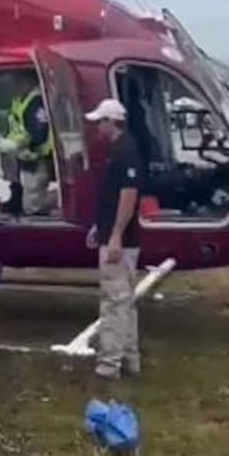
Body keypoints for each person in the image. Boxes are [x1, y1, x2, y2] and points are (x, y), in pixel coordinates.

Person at [84, 98, 142, 380]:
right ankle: (130, 359)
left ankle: (109, 364)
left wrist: (116, 235)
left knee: (114, 301)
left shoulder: (124, 153)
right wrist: (101, 226)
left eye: (99, 122)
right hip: (114, 234)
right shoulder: (121, 150)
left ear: (110, 122)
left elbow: (127, 197)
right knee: (125, 302)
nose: (97, 127)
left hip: (120, 240)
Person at [0, 69, 55, 215]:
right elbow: (14, 124)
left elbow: (39, 132)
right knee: (11, 169)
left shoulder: (37, 101)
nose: (14, 85)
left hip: (35, 156)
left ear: (28, 81)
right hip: (20, 156)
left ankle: (60, 198)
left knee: (33, 206)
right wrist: (4, 141)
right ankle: (16, 198)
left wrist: (15, 145)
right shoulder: (19, 100)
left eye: (18, 81)